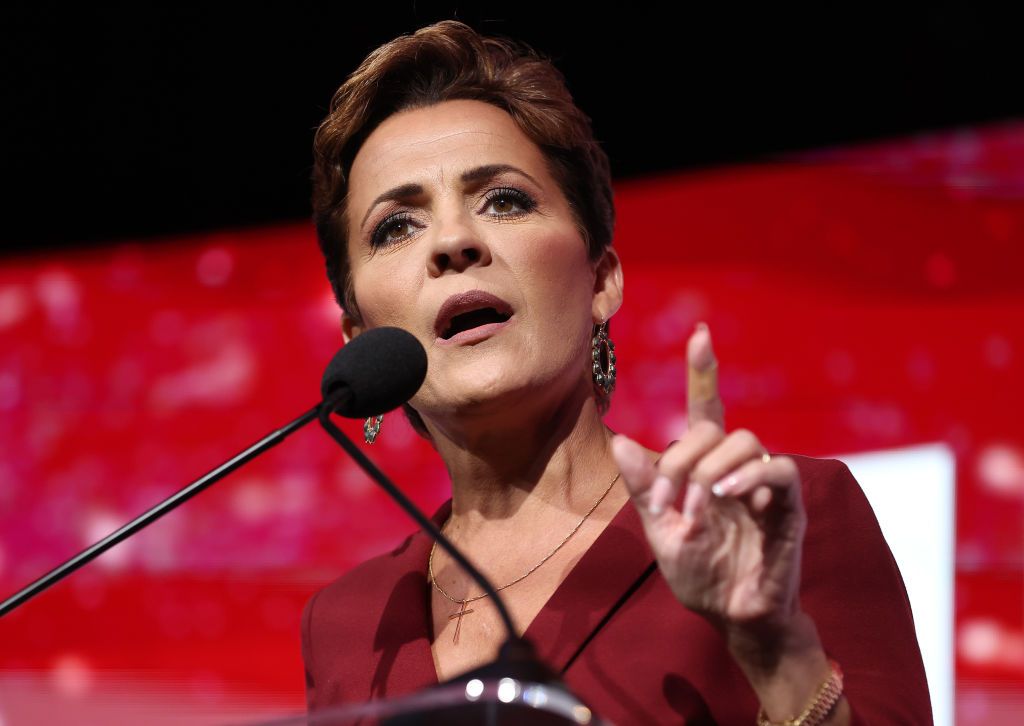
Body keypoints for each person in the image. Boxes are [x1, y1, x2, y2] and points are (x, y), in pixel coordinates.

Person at [301, 20, 933, 725]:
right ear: (360, 336)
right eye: (396, 226)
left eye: (504, 200)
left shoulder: (776, 522)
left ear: (601, 279)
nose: (453, 242)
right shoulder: (350, 621)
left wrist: (775, 649)